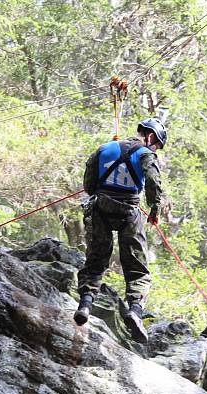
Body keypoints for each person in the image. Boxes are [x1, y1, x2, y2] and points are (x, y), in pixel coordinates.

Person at [74, 118, 169, 343]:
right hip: (129, 213)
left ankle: (85, 305)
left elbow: (89, 185)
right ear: (152, 137)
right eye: (157, 145)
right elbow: (154, 183)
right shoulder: (146, 154)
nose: (155, 149)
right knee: (137, 268)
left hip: (100, 209)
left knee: (95, 261)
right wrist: (155, 208)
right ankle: (135, 311)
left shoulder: (105, 148)